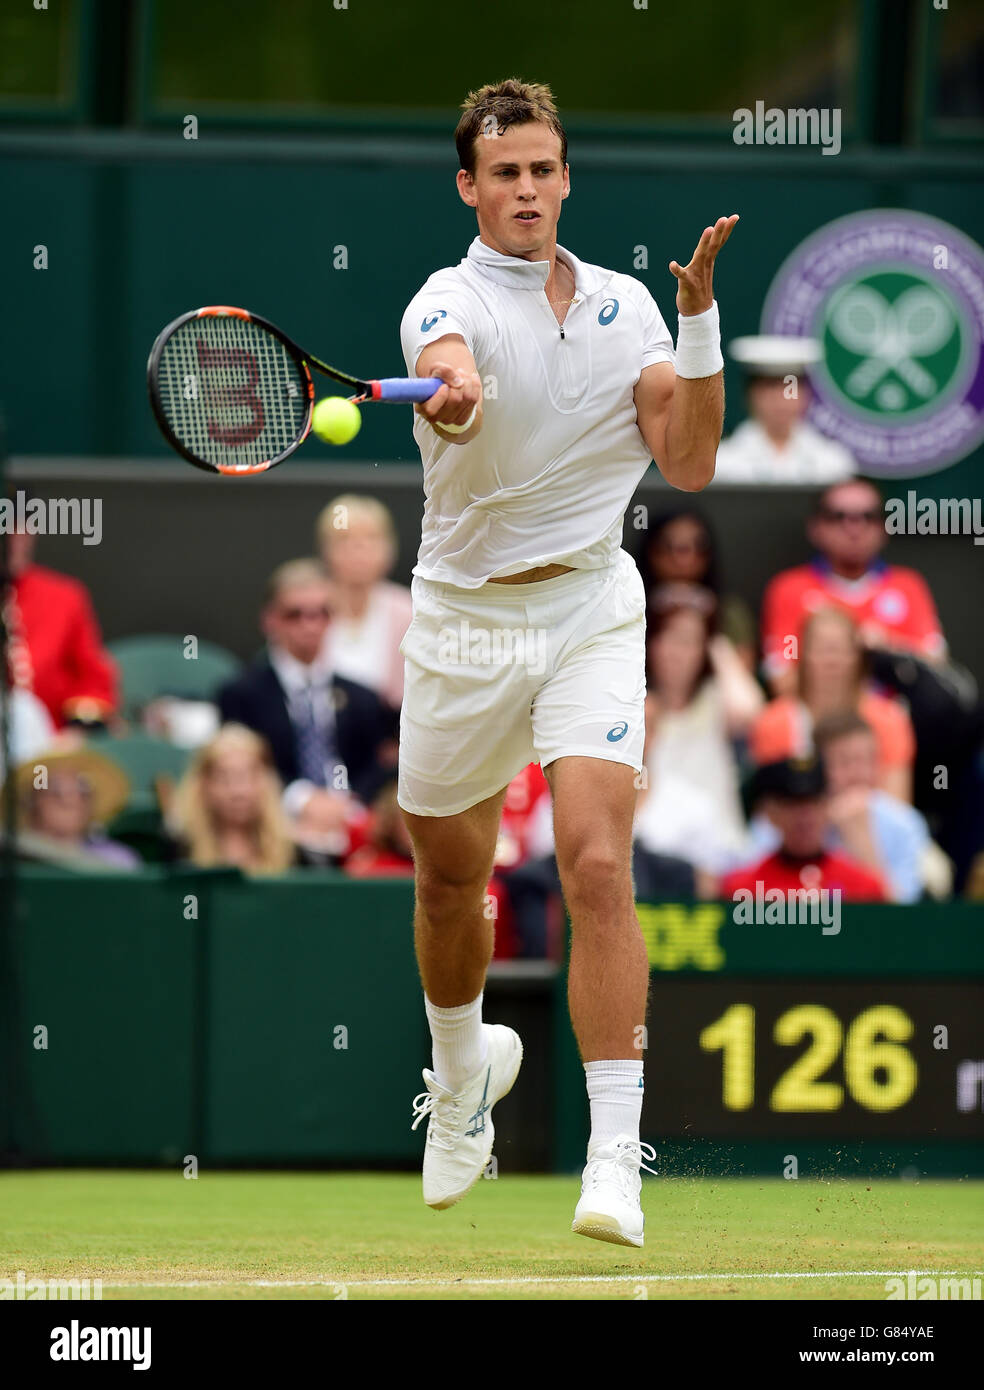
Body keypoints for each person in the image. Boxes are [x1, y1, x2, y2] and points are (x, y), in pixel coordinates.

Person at [398, 77, 737, 1246]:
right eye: (505, 173)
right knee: (449, 879)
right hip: (462, 622)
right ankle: (460, 1081)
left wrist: (697, 328)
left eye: (543, 168)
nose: (528, 188)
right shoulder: (443, 300)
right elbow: (445, 380)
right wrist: (454, 392)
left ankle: (612, 1159)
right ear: (471, 187)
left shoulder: (632, 308)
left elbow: (686, 462)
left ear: (565, 177)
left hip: (592, 605)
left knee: (597, 864)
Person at [217, 560, 394, 858]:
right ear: (270, 620)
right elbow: (238, 768)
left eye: (321, 613)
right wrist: (301, 800)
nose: (310, 625)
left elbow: (377, 764)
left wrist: (349, 802)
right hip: (273, 829)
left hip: (353, 829)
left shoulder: (362, 696)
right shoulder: (242, 694)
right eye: (295, 615)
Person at [761, 478, 946, 694]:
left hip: (900, 714)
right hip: (823, 718)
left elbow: (936, 664)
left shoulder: (908, 585)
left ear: (883, 528)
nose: (854, 528)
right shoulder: (789, 590)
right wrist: (836, 650)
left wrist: (887, 646)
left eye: (868, 517)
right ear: (815, 528)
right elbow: (783, 673)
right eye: (838, 517)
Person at [634, 587, 760, 872]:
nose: (676, 652)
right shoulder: (639, 706)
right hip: (656, 850)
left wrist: (716, 643)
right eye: (666, 638)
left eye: (689, 642)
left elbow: (750, 711)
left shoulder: (717, 702)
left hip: (719, 853)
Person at [750, 606, 915, 802]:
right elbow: (769, 806)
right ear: (803, 656)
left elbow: (897, 807)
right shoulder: (771, 723)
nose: (831, 661)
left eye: (840, 650)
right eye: (822, 649)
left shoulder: (889, 720)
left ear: (858, 657)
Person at [719, 756, 887, 903]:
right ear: (770, 812)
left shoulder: (862, 888)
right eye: (792, 804)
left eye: (814, 802)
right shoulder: (742, 890)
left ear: (828, 806)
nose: (805, 816)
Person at [814, 712, 941, 902]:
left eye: (867, 760)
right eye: (844, 762)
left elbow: (901, 913)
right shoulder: (794, 817)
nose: (858, 773)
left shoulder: (905, 823)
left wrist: (862, 842)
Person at [3, 528, 118, 729]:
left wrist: (76, 733)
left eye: (23, 531)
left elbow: (94, 682)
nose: (16, 541)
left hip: (49, 743)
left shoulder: (63, 597)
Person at [714, 336, 856, 485]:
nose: (781, 400)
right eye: (770, 388)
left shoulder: (833, 462)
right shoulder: (723, 463)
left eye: (790, 389)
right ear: (751, 394)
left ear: (805, 394)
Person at [317, 495, 413, 712]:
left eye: (371, 538)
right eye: (344, 539)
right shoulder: (305, 609)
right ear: (325, 549)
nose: (359, 549)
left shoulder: (409, 610)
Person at [637, 508, 756, 669]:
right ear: (650, 552)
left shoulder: (729, 611)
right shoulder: (627, 605)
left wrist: (710, 622)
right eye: (668, 546)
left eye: (698, 546)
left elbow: (743, 674)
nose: (683, 559)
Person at [169, 723, 294, 874]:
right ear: (203, 785)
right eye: (224, 778)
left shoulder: (294, 852)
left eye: (248, 777)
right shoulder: (179, 850)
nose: (238, 792)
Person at [13, 741, 140, 869]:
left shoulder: (118, 860)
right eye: (54, 789)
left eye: (82, 789)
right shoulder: (10, 855)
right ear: (32, 802)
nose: (69, 798)